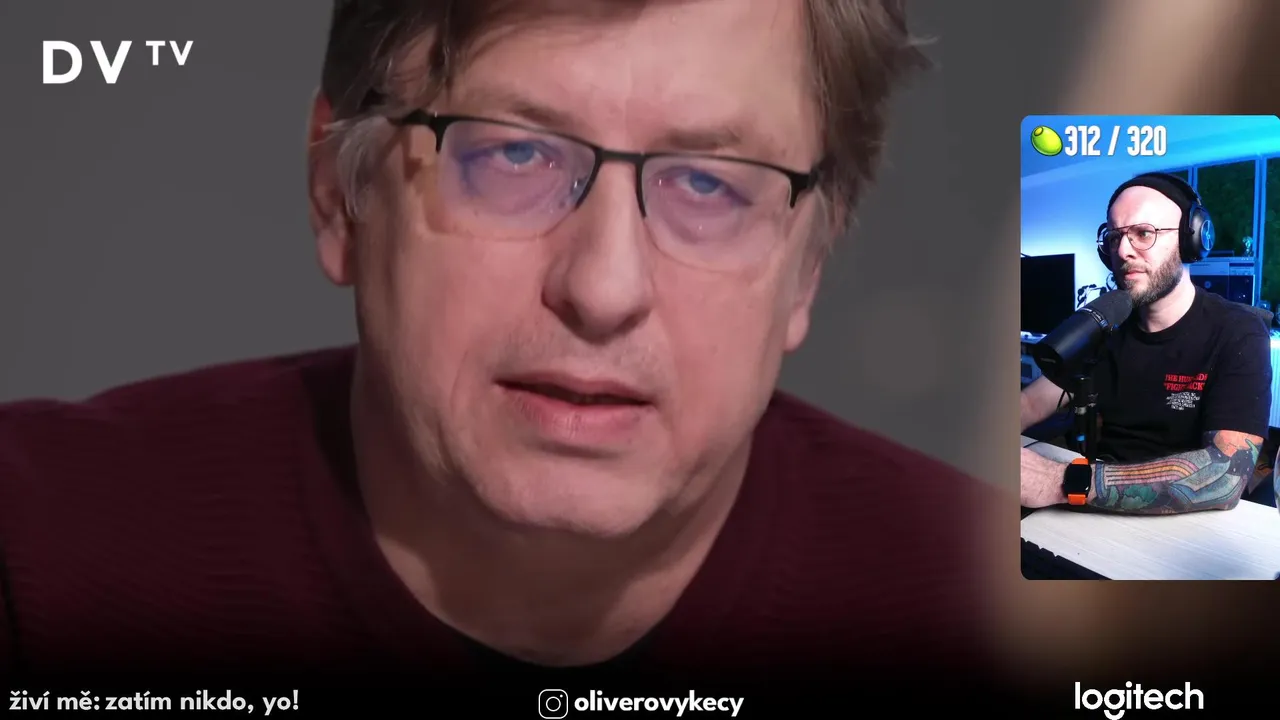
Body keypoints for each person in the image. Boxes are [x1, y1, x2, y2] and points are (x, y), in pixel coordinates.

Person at [0, 0, 998, 704]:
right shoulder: (37, 554)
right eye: (511, 154)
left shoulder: (1017, 617)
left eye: (707, 184)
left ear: (808, 262)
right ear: (337, 194)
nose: (603, 289)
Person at [1020, 172, 1274, 514]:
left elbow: (1224, 475)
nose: (1122, 251)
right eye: (1114, 237)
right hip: (1096, 509)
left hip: (1189, 522)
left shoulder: (1238, 331)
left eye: (1143, 233)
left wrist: (1061, 481)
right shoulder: (1107, 327)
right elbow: (1031, 403)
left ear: (1190, 239)